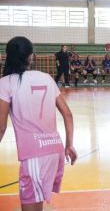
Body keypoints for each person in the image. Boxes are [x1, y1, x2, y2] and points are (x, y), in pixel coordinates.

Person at [0, 36, 77, 211]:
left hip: (34, 154)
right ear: (30, 56)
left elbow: (1, 127)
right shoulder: (46, 78)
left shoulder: (5, 84)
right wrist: (69, 145)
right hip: (55, 149)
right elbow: (68, 115)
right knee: (36, 203)